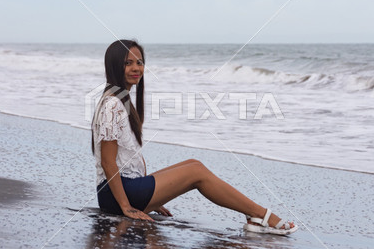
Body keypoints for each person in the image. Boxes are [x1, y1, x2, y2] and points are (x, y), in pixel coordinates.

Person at [91, 39, 297, 235]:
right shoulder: (113, 105)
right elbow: (108, 162)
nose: (136, 68)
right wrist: (127, 206)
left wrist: (154, 197)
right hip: (116, 196)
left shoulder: (119, 101)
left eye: (140, 62)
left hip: (124, 190)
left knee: (193, 163)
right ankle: (260, 215)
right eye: (128, 63)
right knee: (196, 171)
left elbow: (130, 158)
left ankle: (255, 215)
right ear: (115, 66)